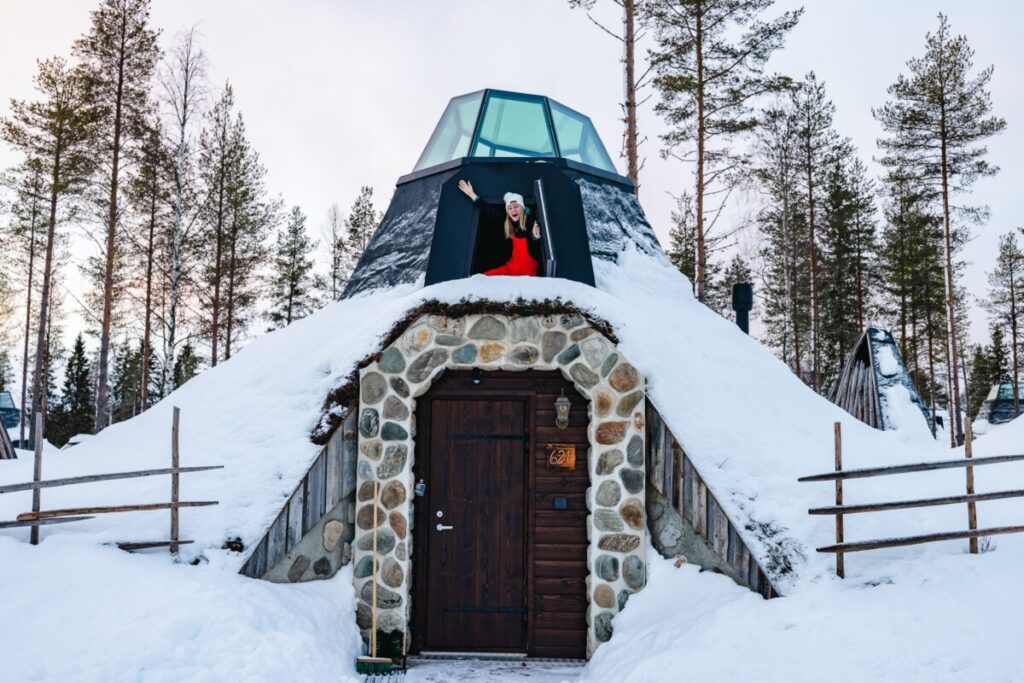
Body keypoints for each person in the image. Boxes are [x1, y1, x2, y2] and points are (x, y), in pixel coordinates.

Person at [458, 179, 543, 276]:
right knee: (483, 277)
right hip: (510, 270)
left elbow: (536, 248)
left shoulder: (531, 222)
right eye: (510, 208)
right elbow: (490, 212)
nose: (513, 210)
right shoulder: (509, 224)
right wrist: (472, 195)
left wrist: (536, 237)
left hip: (527, 275)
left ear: (522, 209)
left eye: (516, 206)